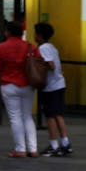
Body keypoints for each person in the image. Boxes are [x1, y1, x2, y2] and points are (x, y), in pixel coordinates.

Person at [0, 21, 38, 158]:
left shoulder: (0, 48)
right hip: (28, 85)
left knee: (15, 117)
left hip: (9, 85)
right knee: (27, 116)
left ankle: (20, 149)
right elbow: (39, 64)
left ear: (7, 32)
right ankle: (33, 148)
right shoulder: (30, 47)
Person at [32, 23, 71, 157]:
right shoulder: (52, 47)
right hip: (59, 84)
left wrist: (38, 67)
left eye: (35, 33)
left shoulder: (43, 48)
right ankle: (65, 142)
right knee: (58, 114)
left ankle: (54, 145)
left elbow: (51, 65)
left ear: (40, 35)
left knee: (50, 116)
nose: (34, 35)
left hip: (50, 87)